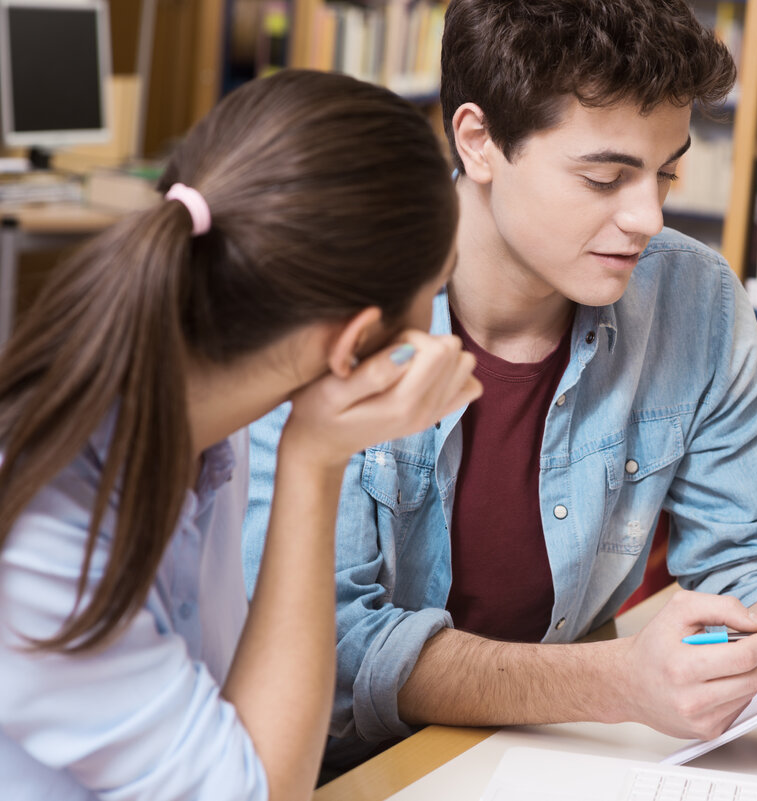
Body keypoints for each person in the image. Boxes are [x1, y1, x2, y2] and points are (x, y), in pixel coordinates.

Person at [244, 0, 757, 776]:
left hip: (551, 754)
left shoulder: (695, 300)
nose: (647, 217)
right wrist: (612, 682)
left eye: (668, 170)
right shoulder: (335, 306)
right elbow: (336, 645)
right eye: (605, 177)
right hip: (346, 771)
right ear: (478, 141)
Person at [0, 69, 480, 801]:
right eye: (436, 293)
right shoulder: (45, 525)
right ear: (354, 347)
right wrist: (315, 461)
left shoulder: (209, 419)